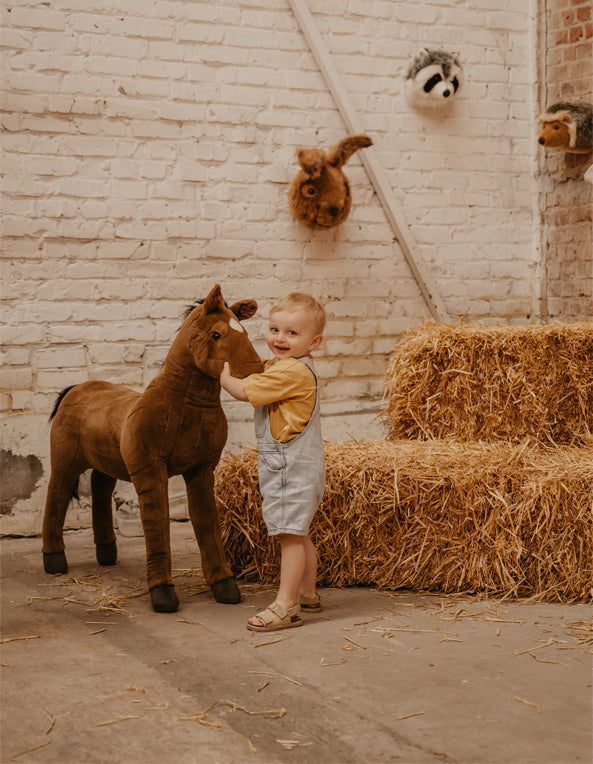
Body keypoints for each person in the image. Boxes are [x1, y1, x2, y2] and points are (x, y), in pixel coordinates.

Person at [220, 293, 326, 632]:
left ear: (315, 342)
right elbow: (261, 372)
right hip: (301, 465)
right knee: (300, 532)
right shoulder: (290, 366)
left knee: (289, 536)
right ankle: (307, 593)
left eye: (292, 334)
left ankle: (286, 606)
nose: (280, 339)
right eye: (274, 329)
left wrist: (223, 377)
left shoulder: (291, 372)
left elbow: (244, 392)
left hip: (288, 468)